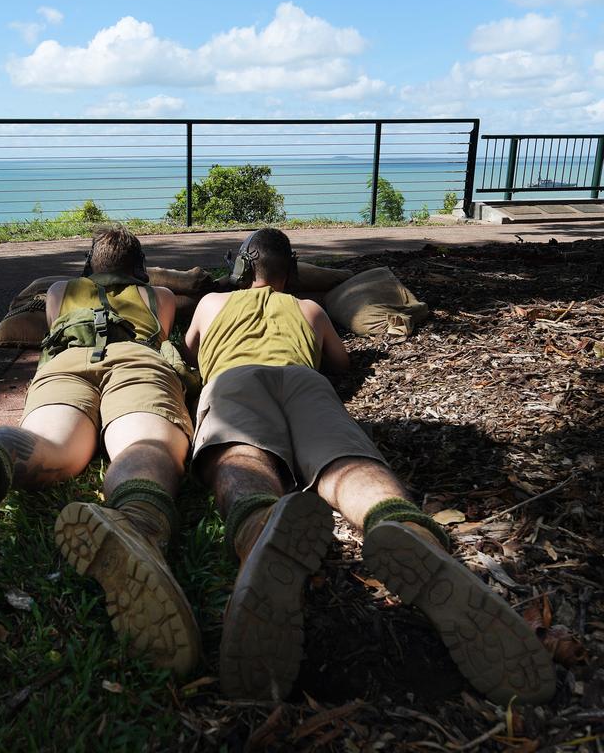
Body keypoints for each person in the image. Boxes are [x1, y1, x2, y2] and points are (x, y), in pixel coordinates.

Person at [182, 227, 555, 705]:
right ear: (290, 273)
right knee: (345, 460)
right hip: (303, 381)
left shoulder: (212, 302)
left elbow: (193, 351)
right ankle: (403, 527)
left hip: (234, 381)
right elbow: (338, 362)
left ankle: (259, 533)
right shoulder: (309, 310)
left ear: (239, 269)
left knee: (239, 452)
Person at [0, 223, 201, 675]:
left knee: (50, 443)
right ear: (140, 269)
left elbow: (50, 323)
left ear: (87, 267)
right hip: (136, 363)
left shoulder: (60, 291)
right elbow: (158, 333)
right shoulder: (162, 298)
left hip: (67, 366)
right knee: (143, 443)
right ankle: (138, 526)